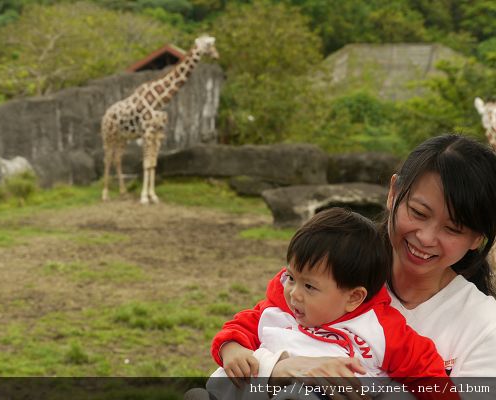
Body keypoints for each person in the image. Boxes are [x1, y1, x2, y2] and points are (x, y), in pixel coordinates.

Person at [211, 134, 496, 382]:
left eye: (452, 229)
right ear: (393, 192)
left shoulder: (484, 327)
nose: (426, 237)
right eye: (419, 213)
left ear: (477, 238)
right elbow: (240, 351)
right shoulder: (332, 269)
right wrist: (279, 368)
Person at [203, 208, 453, 400]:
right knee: (231, 378)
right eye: (291, 277)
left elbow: (424, 366)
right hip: (266, 384)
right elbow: (242, 325)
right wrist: (231, 348)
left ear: (353, 297)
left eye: (309, 286)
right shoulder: (279, 307)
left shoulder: (380, 327)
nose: (294, 294)